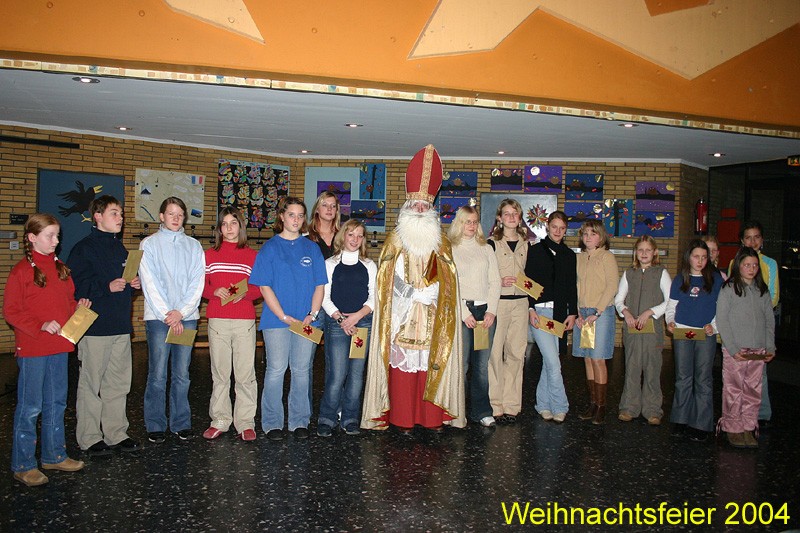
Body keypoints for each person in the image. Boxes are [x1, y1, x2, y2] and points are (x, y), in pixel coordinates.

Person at [362, 144, 465, 434]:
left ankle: (431, 419)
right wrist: (410, 294)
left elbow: (450, 279)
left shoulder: (441, 243)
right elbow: (386, 280)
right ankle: (402, 419)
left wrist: (436, 291)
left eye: (425, 206)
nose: (420, 209)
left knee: (430, 363)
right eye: (415, 205)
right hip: (403, 315)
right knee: (403, 368)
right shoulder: (395, 241)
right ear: (406, 208)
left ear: (432, 210)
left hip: (432, 314)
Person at [4, 214, 90, 486]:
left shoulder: (61, 269)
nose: (56, 241)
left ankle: (54, 455)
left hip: (59, 346)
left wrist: (78, 307)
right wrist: (39, 325)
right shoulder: (21, 271)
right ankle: (23, 464)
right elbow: (11, 311)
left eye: (57, 236)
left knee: (56, 403)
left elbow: (66, 303)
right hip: (33, 348)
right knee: (31, 406)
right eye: (49, 236)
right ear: (32, 238)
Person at [67, 196, 141, 457]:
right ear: (97, 216)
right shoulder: (83, 249)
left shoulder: (120, 249)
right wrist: (105, 287)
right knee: (91, 384)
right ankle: (89, 437)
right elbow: (75, 287)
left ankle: (116, 433)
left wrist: (133, 286)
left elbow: (123, 286)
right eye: (114, 213)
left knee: (118, 384)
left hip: (120, 326)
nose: (120, 218)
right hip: (95, 328)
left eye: (120, 213)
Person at [250, 197, 326, 441]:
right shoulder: (269, 248)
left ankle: (299, 421)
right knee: (276, 369)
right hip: (276, 321)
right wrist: (283, 316)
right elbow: (264, 287)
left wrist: (312, 314)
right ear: (282, 216)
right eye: (291, 214)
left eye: (300, 215)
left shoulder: (312, 248)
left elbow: (320, 286)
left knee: (302, 370)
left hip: (306, 321)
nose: (296, 219)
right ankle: (272, 422)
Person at [139, 197, 205, 444]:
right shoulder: (149, 244)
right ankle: (155, 424)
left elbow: (197, 282)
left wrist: (182, 313)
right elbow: (150, 283)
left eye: (180, 214)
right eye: (171, 213)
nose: (176, 218)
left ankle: (181, 422)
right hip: (159, 319)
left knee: (182, 373)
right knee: (157, 373)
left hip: (186, 319)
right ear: (161, 216)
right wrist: (168, 314)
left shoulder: (194, 246)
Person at [201, 207, 261, 442]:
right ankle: (220, 419)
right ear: (219, 228)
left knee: (245, 374)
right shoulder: (209, 255)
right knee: (220, 374)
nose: (228, 228)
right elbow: (200, 286)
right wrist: (213, 291)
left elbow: (260, 288)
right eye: (224, 224)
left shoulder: (252, 255)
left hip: (244, 320)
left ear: (240, 226)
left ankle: (245, 422)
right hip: (218, 320)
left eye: (233, 223)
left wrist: (245, 294)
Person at [318, 219, 376, 437]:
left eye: (360, 235)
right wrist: (342, 319)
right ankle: (327, 417)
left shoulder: (369, 265)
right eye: (351, 234)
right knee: (337, 373)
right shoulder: (330, 264)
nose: (355, 239)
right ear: (343, 236)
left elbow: (374, 297)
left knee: (356, 374)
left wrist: (358, 316)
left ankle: (350, 418)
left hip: (362, 324)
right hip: (337, 324)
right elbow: (324, 296)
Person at [716, 247, 775, 448]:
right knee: (733, 389)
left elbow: (769, 321)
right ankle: (733, 428)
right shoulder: (729, 288)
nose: (751, 269)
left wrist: (770, 346)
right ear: (738, 266)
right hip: (736, 350)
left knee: (753, 390)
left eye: (754, 265)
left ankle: (749, 426)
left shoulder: (762, 290)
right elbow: (722, 320)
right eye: (747, 265)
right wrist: (732, 349)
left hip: (758, 349)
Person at [665, 239, 723, 442]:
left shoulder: (715, 280)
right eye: (696, 256)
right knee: (683, 376)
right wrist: (670, 322)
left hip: (705, 334)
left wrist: (713, 326)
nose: (700, 261)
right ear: (688, 257)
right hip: (683, 332)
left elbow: (721, 308)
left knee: (703, 378)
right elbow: (671, 307)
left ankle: (701, 424)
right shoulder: (680, 279)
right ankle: (680, 419)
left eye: (704, 257)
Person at [449, 206, 500, 428]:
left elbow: (495, 281)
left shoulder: (486, 248)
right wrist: (464, 312)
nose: (471, 226)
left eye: (474, 221)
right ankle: (457, 411)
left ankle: (481, 411)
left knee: (481, 366)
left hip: (484, 313)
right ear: (459, 223)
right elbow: (449, 285)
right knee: (462, 365)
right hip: (462, 312)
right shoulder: (450, 249)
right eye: (467, 221)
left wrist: (491, 310)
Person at [526, 210, 577, 423]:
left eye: (562, 228)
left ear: (566, 230)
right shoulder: (535, 251)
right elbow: (527, 282)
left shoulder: (569, 255)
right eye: (554, 227)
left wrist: (572, 313)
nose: (557, 231)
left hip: (559, 314)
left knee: (551, 362)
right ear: (547, 226)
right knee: (554, 363)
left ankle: (543, 404)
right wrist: (530, 309)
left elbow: (572, 287)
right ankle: (561, 406)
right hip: (540, 313)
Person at [614, 235, 671, 425]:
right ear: (635, 252)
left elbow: (670, 301)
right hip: (632, 330)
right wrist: (626, 312)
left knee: (652, 369)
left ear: (655, 252)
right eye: (640, 250)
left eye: (648, 250)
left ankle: (653, 410)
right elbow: (619, 299)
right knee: (632, 368)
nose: (644, 253)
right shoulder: (629, 273)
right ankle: (629, 407)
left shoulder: (661, 273)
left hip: (652, 330)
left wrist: (650, 312)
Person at [729, 221, 778, 427]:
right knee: (737, 373)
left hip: (760, 323)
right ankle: (739, 412)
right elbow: (731, 292)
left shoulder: (770, 264)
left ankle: (762, 414)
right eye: (748, 237)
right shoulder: (734, 263)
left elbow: (773, 296)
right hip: (739, 325)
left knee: (759, 373)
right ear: (742, 241)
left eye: (756, 237)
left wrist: (755, 309)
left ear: (762, 239)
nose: (752, 241)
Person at [487, 199, 529, 424]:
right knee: (495, 353)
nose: (511, 217)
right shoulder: (491, 244)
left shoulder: (527, 244)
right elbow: (485, 274)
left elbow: (531, 275)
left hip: (521, 303)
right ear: (499, 218)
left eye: (515, 213)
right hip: (499, 303)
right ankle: (495, 404)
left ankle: (512, 404)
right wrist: (499, 281)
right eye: (507, 213)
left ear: (520, 218)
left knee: (516, 353)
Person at [573, 220, 619, 425]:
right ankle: (592, 403)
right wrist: (577, 312)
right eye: (585, 234)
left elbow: (612, 286)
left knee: (598, 358)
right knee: (587, 358)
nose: (588, 237)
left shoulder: (607, 257)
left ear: (601, 237)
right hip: (583, 313)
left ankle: (601, 406)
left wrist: (597, 312)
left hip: (601, 312)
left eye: (593, 234)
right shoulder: (580, 258)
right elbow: (575, 286)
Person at [307, 191, 342, 260]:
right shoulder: (307, 236)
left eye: (333, 206)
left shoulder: (343, 236)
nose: (329, 209)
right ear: (317, 209)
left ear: (336, 211)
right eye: (324, 205)